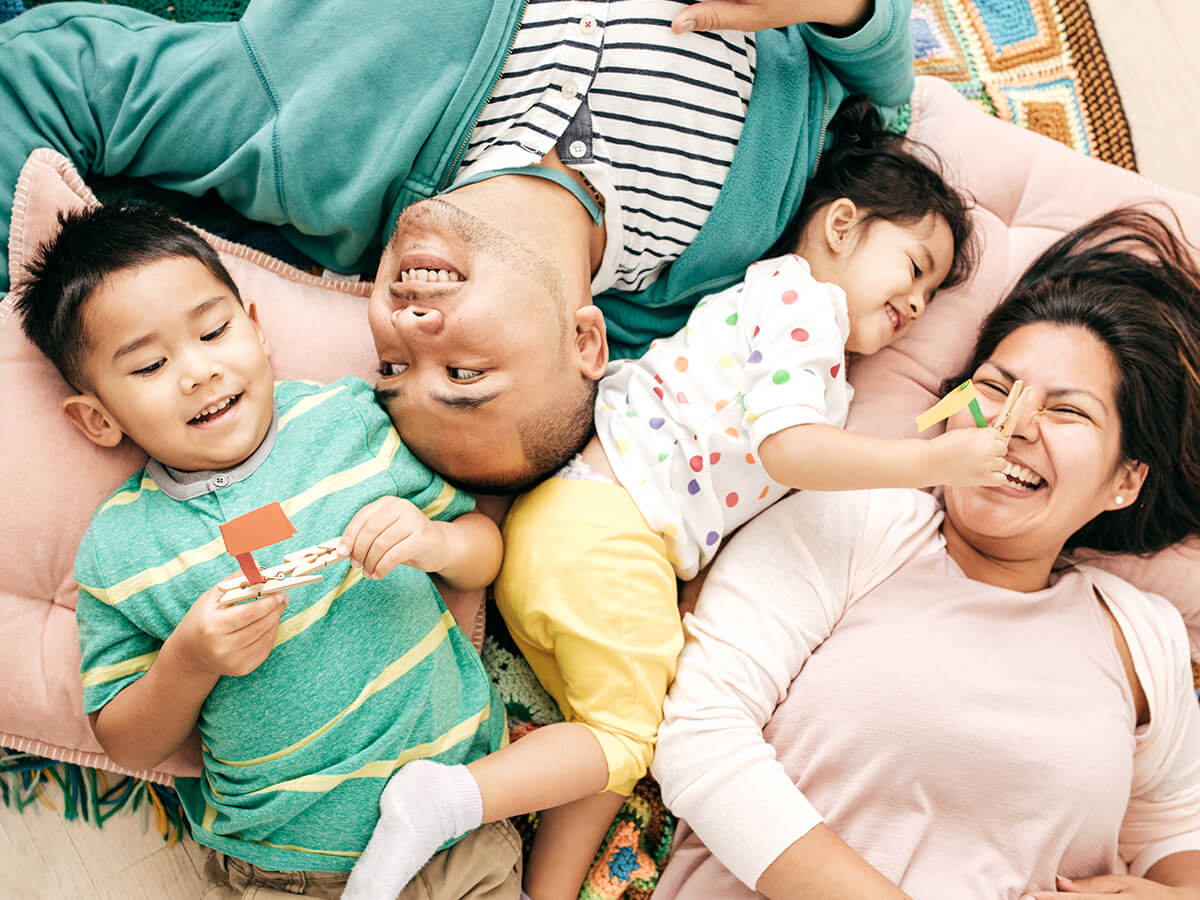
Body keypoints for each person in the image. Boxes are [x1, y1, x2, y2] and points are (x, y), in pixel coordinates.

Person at [345, 106, 983, 900]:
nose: (918, 306)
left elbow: (744, 496)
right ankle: (448, 801)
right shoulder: (800, 309)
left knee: (606, 737)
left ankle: (537, 883)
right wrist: (931, 459)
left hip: (583, 529)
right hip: (609, 532)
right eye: (915, 268)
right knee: (626, 739)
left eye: (931, 295)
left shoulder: (801, 347)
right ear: (843, 225)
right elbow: (789, 452)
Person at [0, 0, 915, 491]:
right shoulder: (722, 261)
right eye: (465, 375)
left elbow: (40, 85)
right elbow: (885, 96)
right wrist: (843, 8)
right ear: (589, 342)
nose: (406, 332)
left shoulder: (307, 146)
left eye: (390, 370)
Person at [649, 207, 1200, 899]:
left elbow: (1176, 833)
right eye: (997, 388)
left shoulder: (1143, 638)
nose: (1013, 426)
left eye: (1068, 412)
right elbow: (700, 737)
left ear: (1125, 481)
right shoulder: (853, 522)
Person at [13, 204, 517, 899]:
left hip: (458, 819)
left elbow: (485, 553)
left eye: (214, 331)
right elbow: (127, 742)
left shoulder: (349, 424)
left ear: (257, 328)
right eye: (152, 365)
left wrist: (434, 540)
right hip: (289, 867)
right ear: (99, 419)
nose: (198, 371)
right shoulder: (122, 549)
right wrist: (188, 661)